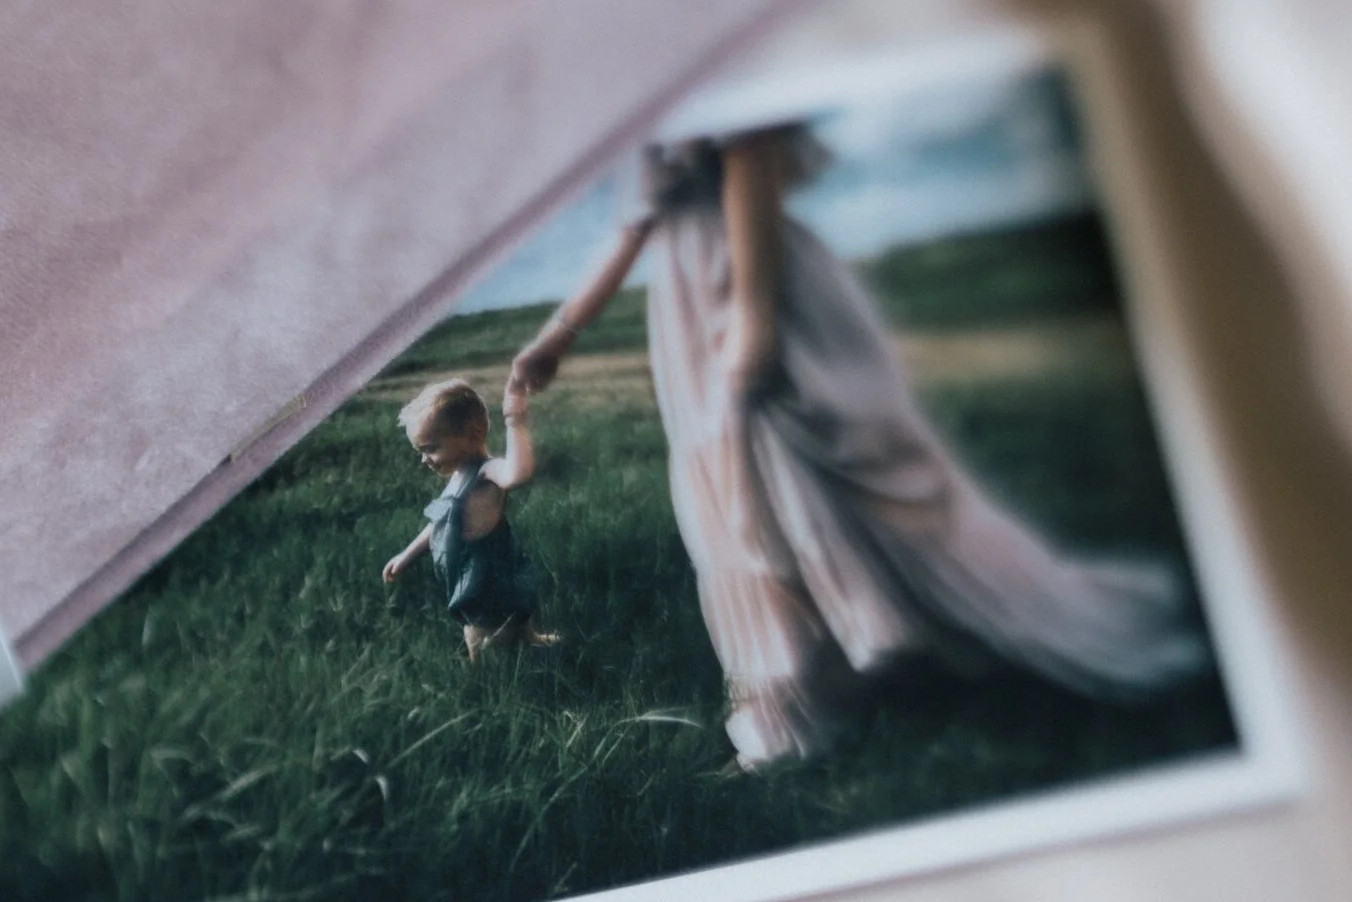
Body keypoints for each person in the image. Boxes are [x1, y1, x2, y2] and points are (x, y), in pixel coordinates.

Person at [507, 126, 1207, 768]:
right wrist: (558, 336)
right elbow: (633, 225)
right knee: (745, 490)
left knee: (791, 477)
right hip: (689, 305)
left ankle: (844, 673)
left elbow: (751, 150)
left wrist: (752, 314)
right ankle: (832, 666)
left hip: (749, 276)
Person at [382, 379, 558, 660]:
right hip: (465, 567)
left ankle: (484, 667)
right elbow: (438, 524)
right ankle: (523, 641)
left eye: (431, 448)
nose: (425, 459)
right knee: (504, 611)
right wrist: (407, 555)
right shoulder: (457, 476)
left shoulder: (488, 471)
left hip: (485, 570)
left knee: (479, 624)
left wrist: (515, 421)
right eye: (421, 451)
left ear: (473, 436)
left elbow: (518, 473)